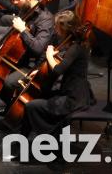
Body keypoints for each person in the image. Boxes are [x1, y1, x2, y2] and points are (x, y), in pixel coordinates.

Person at [0, 0, 55, 115]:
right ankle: (11, 106)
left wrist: (23, 30)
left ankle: (22, 111)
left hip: (36, 65)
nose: (14, 2)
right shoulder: (25, 10)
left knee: (8, 82)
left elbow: (38, 48)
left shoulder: (45, 19)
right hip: (22, 57)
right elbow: (12, 33)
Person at [21, 10, 94, 139]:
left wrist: (49, 56)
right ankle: (34, 139)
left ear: (66, 29)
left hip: (73, 98)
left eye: (57, 27)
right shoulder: (77, 44)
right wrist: (41, 70)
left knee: (31, 106)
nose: (55, 29)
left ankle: (40, 139)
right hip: (75, 92)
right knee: (42, 96)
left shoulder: (76, 48)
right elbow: (65, 65)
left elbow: (58, 70)